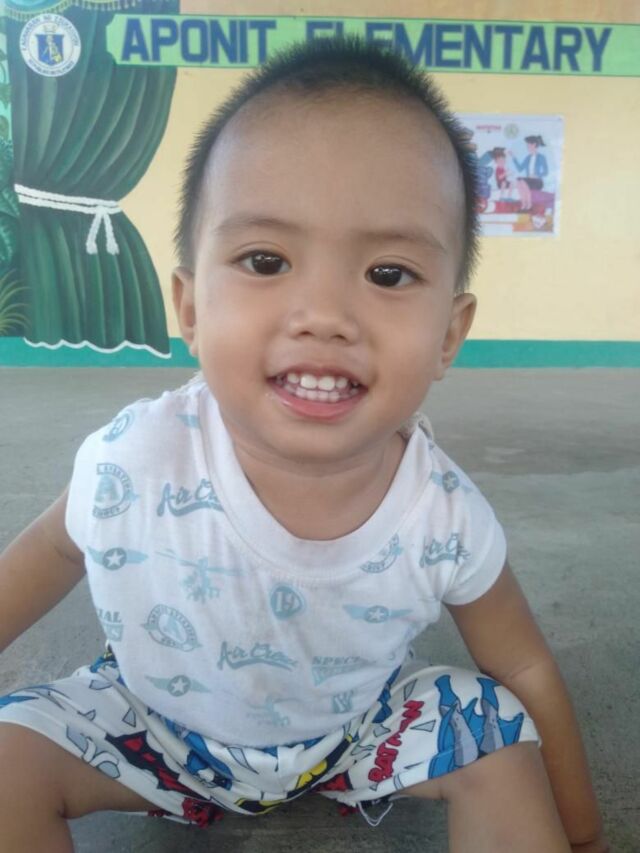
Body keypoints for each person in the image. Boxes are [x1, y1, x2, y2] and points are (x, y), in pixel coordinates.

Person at [0, 38, 606, 852]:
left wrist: (584, 833)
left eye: (387, 274)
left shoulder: (444, 515)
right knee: (7, 756)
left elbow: (523, 668)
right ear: (190, 307)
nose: (323, 314)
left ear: (448, 335)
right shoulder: (135, 460)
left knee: (496, 725)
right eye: (266, 260)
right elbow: (50, 549)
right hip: (150, 726)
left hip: (355, 732)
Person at [510, 134, 549, 211]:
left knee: (522, 181)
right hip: (529, 180)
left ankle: (529, 204)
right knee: (519, 180)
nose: (527, 147)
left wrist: (537, 175)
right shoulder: (528, 158)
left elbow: (546, 172)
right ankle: (524, 204)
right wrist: (513, 157)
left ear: (534, 145)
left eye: (528, 145)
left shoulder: (541, 157)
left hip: (537, 181)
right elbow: (520, 168)